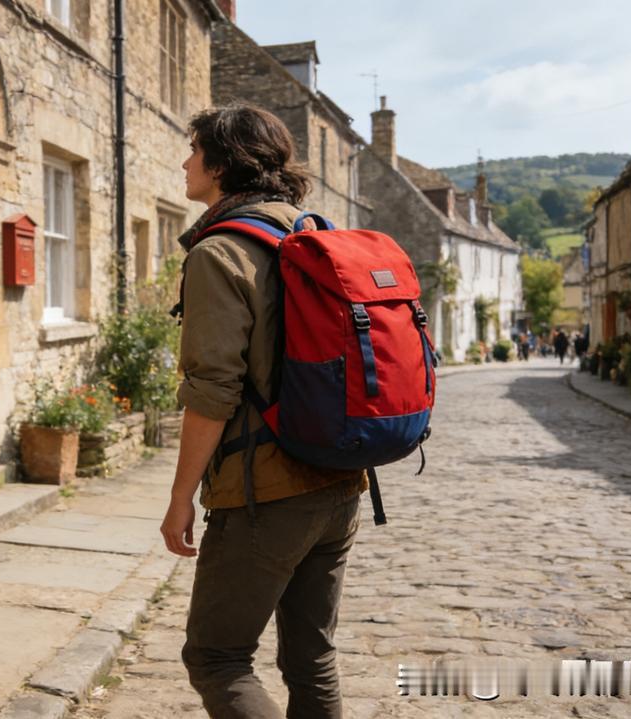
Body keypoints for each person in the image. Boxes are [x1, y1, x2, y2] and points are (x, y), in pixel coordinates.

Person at [161, 104, 367, 719]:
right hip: (341, 478)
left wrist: (180, 498)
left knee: (217, 657)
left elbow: (212, 392)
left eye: (194, 149)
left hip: (265, 490)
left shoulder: (221, 251)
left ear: (223, 163)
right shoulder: (312, 232)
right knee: (312, 658)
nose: (185, 161)